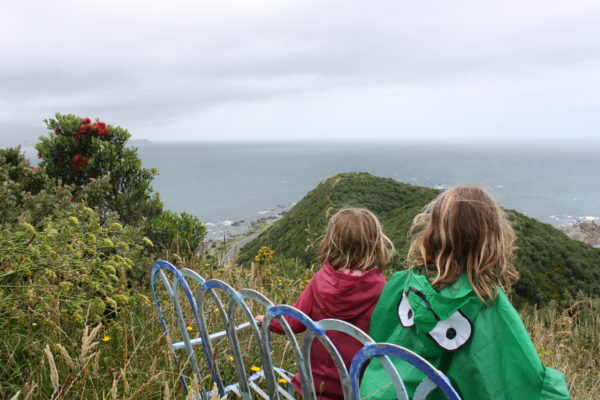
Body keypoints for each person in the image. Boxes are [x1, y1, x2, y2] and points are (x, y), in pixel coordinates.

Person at [360, 185, 570, 400]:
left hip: (376, 393)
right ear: (490, 239)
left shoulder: (398, 284)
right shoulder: (486, 303)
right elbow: (523, 384)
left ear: (431, 230)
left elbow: (378, 343)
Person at [257, 207, 393, 400]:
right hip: (358, 384)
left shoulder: (321, 279)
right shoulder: (381, 288)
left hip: (316, 382)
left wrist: (268, 320)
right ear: (375, 243)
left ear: (331, 242)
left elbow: (294, 322)